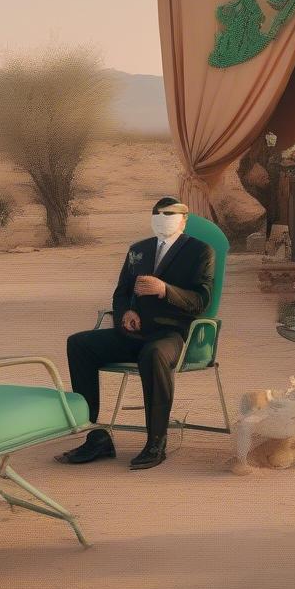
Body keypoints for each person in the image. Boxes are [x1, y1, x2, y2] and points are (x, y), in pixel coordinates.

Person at [57, 197, 215, 470]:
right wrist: (124, 315)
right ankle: (95, 436)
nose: (162, 217)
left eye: (169, 213)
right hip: (133, 333)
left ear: (184, 219)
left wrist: (164, 290)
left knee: (153, 355)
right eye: (157, 213)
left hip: (171, 335)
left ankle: (156, 442)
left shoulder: (200, 251)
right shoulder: (138, 250)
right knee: (79, 344)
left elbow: (201, 302)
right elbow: (121, 293)